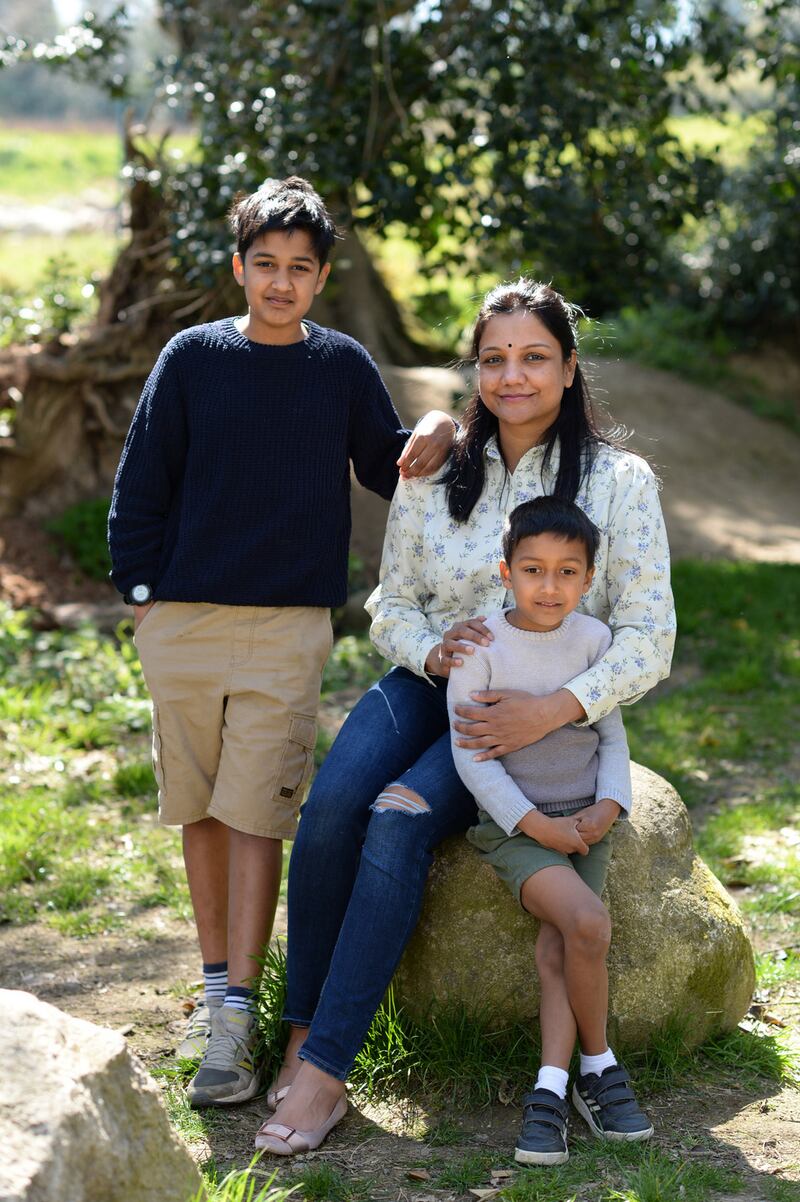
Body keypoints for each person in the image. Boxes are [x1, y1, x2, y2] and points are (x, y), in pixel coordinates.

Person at [255, 278, 675, 1157]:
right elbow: (391, 599)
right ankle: (299, 1035)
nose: (512, 377)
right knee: (330, 806)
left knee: (398, 819)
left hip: (524, 712)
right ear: (474, 370)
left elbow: (650, 637)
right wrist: (432, 652)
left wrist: (556, 709)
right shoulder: (435, 463)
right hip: (431, 679)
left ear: (567, 367)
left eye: (534, 358)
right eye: (494, 359)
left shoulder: (620, 482)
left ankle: (328, 1072)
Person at [107, 176, 456, 1109]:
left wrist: (441, 426)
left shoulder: (338, 365)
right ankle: (218, 988)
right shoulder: (190, 358)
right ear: (239, 267)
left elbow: (395, 463)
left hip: (289, 626)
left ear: (322, 277)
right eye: (265, 264)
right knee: (200, 811)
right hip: (181, 619)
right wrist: (143, 597)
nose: (281, 282)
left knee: (257, 811)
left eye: (301, 269)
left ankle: (240, 1018)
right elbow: (142, 481)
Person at [448, 495, 651, 1166]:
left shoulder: (594, 642)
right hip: (520, 832)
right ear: (505, 573)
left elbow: (611, 733)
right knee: (588, 926)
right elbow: (470, 757)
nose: (550, 585)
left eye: (568, 571)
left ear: (589, 578)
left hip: (585, 823)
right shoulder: (482, 646)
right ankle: (601, 1063)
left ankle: (551, 1091)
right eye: (533, 569)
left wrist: (609, 808)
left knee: (559, 949)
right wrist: (535, 824)